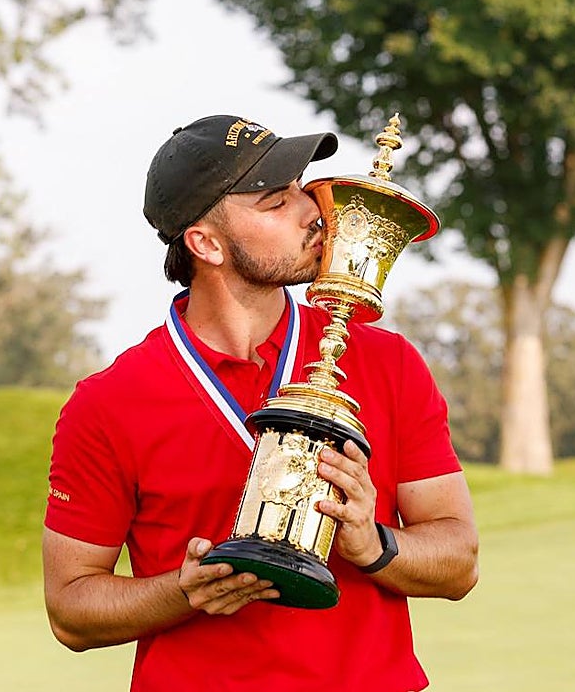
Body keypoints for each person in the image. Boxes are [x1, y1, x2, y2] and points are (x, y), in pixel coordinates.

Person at [43, 114, 479, 692]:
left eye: (303, 188)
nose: (314, 210)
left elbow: (460, 561)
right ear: (206, 244)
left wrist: (375, 543)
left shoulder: (389, 362)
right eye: (276, 202)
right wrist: (185, 590)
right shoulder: (109, 402)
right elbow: (71, 610)